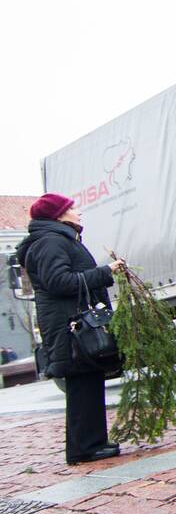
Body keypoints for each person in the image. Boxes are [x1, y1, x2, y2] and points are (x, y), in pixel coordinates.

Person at [15, 194, 125, 465]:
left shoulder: (57, 239)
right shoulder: (50, 242)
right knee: (81, 383)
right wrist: (105, 272)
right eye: (72, 208)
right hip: (69, 325)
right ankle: (85, 448)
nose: (78, 212)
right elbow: (59, 282)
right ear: (58, 214)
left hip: (72, 322)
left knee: (88, 379)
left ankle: (92, 443)